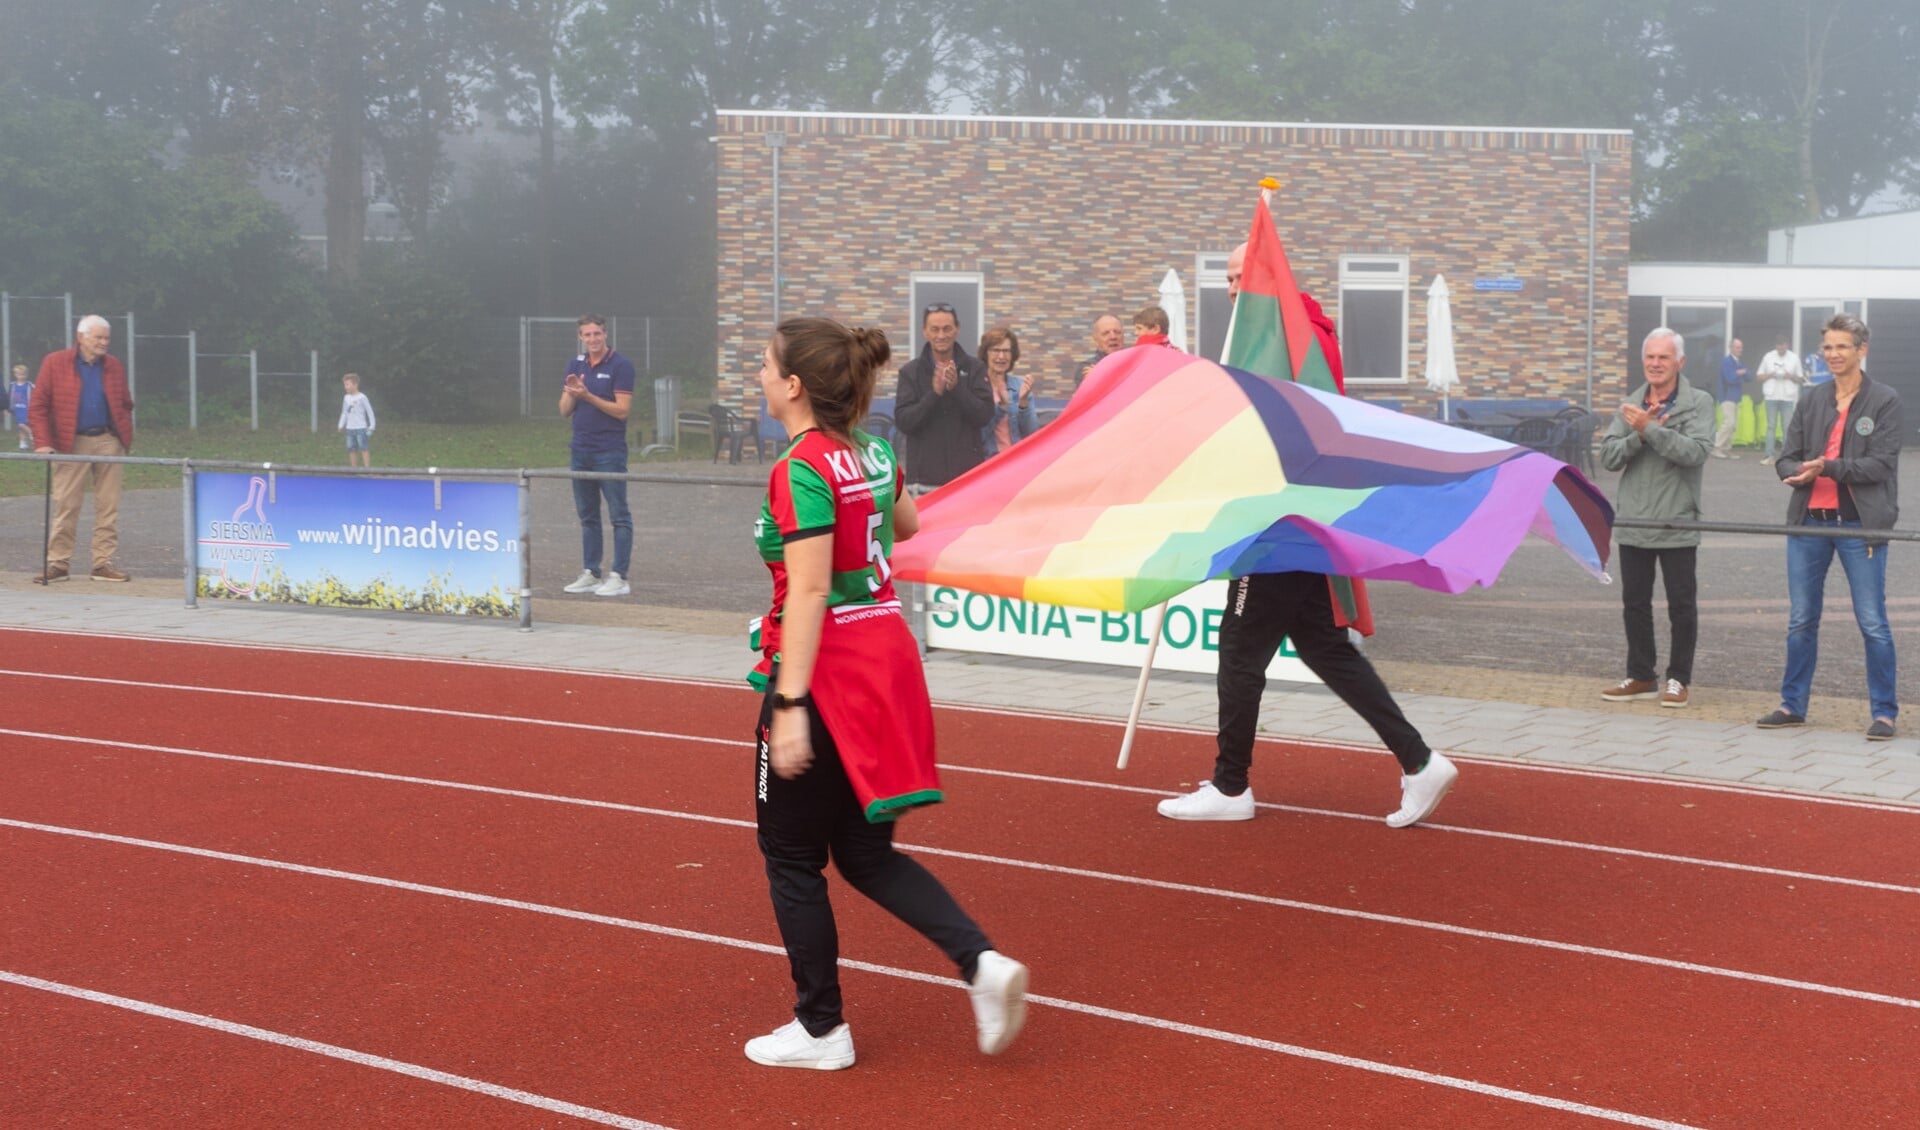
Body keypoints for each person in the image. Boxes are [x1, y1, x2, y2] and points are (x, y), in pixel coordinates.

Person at [745, 314, 1027, 1070]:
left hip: (826, 671)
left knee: (791, 854)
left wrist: (791, 706)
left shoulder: (799, 466)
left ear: (796, 385)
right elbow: (905, 524)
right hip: (887, 660)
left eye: (766, 366)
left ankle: (821, 1028)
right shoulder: (870, 450)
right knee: (866, 854)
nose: (759, 377)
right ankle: (981, 962)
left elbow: (807, 593)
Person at [1157, 242, 1455, 827]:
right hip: (1298, 522)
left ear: (1270, 278)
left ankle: (1230, 785)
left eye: (1242, 275)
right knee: (1323, 646)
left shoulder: (1288, 342)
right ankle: (1419, 761)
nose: (1233, 289)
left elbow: (1284, 429)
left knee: (1240, 652)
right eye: (1227, 278)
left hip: (1276, 524)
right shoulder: (1299, 335)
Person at [1759, 313, 1904, 741]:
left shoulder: (1886, 400)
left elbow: (1881, 463)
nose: (1833, 354)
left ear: (1862, 350)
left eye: (1842, 346)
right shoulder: (1812, 398)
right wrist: (1794, 472)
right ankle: (1792, 705)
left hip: (1860, 526)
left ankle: (1884, 713)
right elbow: (1787, 454)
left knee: (1872, 621)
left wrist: (1829, 467)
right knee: (1801, 619)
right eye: (1828, 347)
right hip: (1809, 524)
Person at [1597, 328, 1715, 709]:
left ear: (1680, 362)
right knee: (1634, 603)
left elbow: (1695, 453)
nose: (1655, 364)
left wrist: (1650, 430)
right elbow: (1610, 458)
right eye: (1650, 357)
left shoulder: (1699, 403)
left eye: (1663, 357)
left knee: (1681, 605)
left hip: (1677, 521)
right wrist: (1638, 435)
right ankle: (1642, 674)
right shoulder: (1632, 403)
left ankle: (1679, 679)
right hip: (1635, 521)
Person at [30, 315, 134, 583]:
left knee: (108, 505)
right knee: (67, 504)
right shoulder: (55, 362)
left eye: (107, 338)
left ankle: (103, 563)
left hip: (108, 441)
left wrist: (122, 431)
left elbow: (125, 401)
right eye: (98, 337)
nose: (103, 343)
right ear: (81, 338)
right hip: (69, 442)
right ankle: (58, 563)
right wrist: (43, 442)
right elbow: (38, 406)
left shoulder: (113, 366)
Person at [558, 314, 634, 597]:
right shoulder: (575, 365)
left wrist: (588, 396)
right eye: (587, 335)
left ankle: (619, 576)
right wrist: (573, 392)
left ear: (605, 334)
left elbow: (622, 410)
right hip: (580, 450)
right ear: (580, 337)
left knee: (619, 515)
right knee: (587, 516)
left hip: (609, 452)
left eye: (597, 334)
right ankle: (591, 572)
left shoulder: (621, 365)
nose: (593, 339)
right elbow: (564, 410)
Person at [894, 302, 992, 489]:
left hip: (968, 479)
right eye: (935, 329)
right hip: (924, 481)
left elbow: (985, 415)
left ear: (957, 330)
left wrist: (957, 389)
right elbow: (904, 422)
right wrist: (934, 394)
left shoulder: (975, 368)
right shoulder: (910, 372)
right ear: (925, 332)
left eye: (947, 329)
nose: (941, 335)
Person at [978, 325, 1037, 456]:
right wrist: (1001, 408)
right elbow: (977, 437)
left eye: (1006, 351)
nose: (1001, 356)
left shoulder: (1020, 386)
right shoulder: (976, 388)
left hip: (1016, 461)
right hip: (988, 463)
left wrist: (1023, 403)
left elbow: (1031, 434)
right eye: (996, 350)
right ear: (985, 353)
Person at [1756, 336, 1805, 460]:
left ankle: (1786, 455)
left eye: (1782, 345)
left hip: (1787, 397)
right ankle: (1769, 454)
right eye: (1778, 345)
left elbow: (1800, 379)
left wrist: (1790, 376)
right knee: (1771, 426)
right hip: (1771, 396)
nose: (1780, 347)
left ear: (1787, 345)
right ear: (1775, 346)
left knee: (1787, 426)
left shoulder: (1794, 358)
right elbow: (1759, 377)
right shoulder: (1768, 357)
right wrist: (1771, 374)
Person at [1711, 337, 1748, 459]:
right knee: (1729, 423)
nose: (1740, 350)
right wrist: (1739, 373)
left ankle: (1726, 449)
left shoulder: (1738, 362)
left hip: (1735, 397)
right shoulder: (1727, 362)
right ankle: (1716, 447)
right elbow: (1730, 378)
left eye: (1741, 347)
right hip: (1727, 396)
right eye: (1737, 347)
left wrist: (1740, 373)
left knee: (1733, 425)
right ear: (1731, 348)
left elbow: (1749, 376)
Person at [1069, 314, 1125, 388]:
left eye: (1117, 332)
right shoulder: (1087, 366)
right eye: (1106, 333)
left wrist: (1099, 376)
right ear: (1096, 340)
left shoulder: (1135, 362)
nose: (1113, 337)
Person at [337, 372, 377, 467]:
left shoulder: (362, 397)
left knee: (364, 448)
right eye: (344, 385)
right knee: (351, 448)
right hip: (350, 428)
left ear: (355, 384)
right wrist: (341, 424)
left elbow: (370, 412)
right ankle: (354, 469)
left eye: (347, 384)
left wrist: (372, 426)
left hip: (361, 428)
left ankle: (367, 469)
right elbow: (344, 412)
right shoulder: (346, 398)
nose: (345, 387)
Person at [10, 364, 32, 449]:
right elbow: (10, 396)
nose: (21, 376)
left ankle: (32, 433)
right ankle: (22, 443)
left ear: (26, 374)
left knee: (22, 424)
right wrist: (9, 408)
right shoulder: (12, 385)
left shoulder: (29, 385)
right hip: (16, 408)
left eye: (23, 374)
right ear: (15, 375)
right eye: (19, 374)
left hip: (26, 408)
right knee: (20, 427)